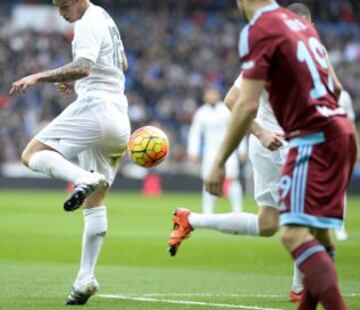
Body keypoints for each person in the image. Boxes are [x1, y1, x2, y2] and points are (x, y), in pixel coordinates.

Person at [169, 1, 357, 309]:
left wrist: (220, 160)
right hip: (323, 134)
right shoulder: (312, 38)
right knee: (283, 225)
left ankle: (300, 287)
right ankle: (193, 219)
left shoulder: (266, 31)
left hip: (296, 141)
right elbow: (335, 90)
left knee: (296, 231)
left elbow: (239, 102)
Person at [10, 0, 131, 305]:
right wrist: (74, 81)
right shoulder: (106, 17)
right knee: (96, 200)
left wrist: (38, 77)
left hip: (97, 110)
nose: (61, 13)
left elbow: (85, 66)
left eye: (64, 6)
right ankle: (84, 279)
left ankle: (81, 177)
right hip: (119, 118)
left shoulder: (88, 20)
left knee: (31, 153)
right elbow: (122, 64)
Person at [188, 87, 245, 214]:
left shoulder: (226, 110)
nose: (212, 96)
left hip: (228, 149)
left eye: (214, 94)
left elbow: (238, 129)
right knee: (208, 180)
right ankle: (207, 212)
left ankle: (237, 210)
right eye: (209, 94)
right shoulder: (201, 112)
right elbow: (195, 133)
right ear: (205, 97)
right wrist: (193, 151)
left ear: (218, 95)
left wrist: (241, 150)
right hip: (210, 151)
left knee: (232, 178)